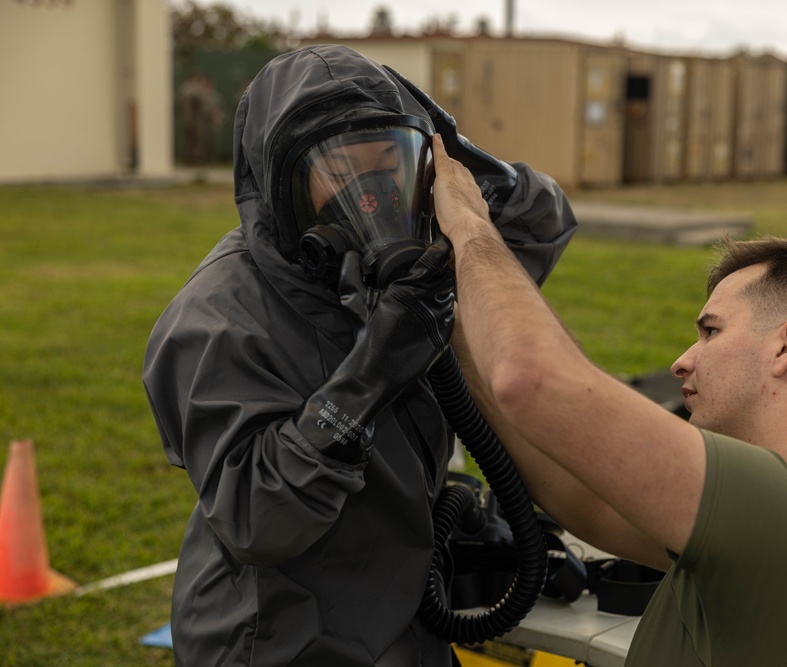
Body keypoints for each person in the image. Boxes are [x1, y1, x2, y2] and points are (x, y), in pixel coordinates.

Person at [142, 44, 576, 666]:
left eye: (387, 163)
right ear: (281, 187)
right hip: (282, 641)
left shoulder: (419, 258)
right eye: (341, 175)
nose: (373, 197)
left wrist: (440, 146)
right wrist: (371, 374)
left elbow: (541, 220)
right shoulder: (216, 320)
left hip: (402, 623)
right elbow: (258, 520)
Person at [430, 135, 787, 666]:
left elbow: (533, 380)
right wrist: (454, 330)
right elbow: (591, 501)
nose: (681, 361)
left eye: (711, 331)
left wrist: (468, 225)